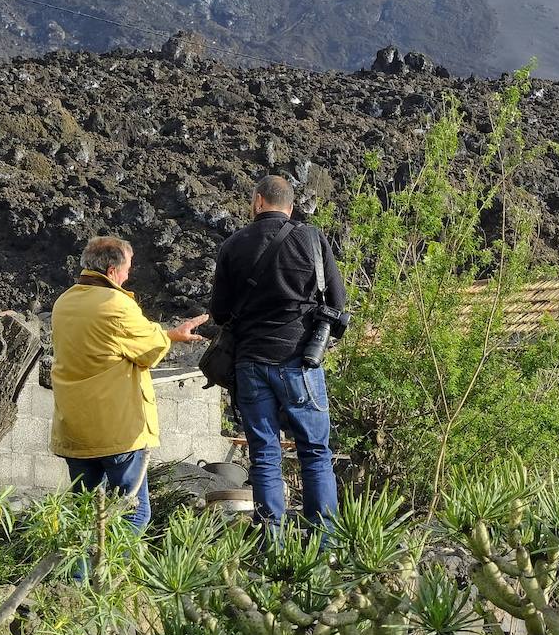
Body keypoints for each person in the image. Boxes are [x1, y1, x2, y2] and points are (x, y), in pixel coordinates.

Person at [209, 174, 346, 531]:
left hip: (250, 363)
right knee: (315, 452)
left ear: (258, 202)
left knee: (265, 456)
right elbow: (337, 301)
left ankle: (273, 543)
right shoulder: (312, 238)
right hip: (301, 361)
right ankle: (324, 543)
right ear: (291, 206)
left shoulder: (233, 245)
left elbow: (219, 313)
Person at [50, 235, 208, 530]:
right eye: (127, 267)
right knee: (134, 513)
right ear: (112, 270)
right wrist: (173, 336)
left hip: (73, 427)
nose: (128, 274)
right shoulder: (116, 304)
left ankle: (82, 563)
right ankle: (116, 562)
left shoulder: (64, 302)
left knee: (85, 518)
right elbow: (147, 350)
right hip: (116, 429)